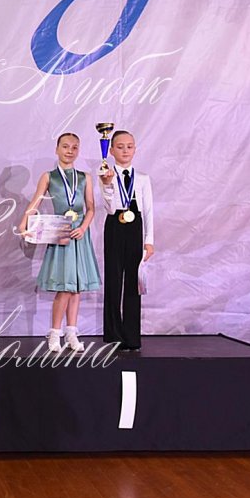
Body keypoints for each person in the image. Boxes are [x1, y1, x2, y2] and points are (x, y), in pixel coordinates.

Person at [18, 133, 101, 352]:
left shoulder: (84, 177)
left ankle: (71, 332)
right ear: (57, 149)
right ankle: (54, 333)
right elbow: (35, 202)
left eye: (74, 147)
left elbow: (91, 207)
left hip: (79, 235)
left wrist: (83, 228)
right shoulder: (49, 177)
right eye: (65, 146)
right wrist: (24, 222)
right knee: (64, 287)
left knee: (76, 288)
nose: (69, 151)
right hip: (61, 233)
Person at [98, 130, 154, 351]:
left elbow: (148, 211)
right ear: (111, 150)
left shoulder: (143, 179)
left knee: (134, 282)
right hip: (115, 225)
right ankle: (114, 335)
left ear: (135, 149)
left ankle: (132, 337)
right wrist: (108, 185)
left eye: (129, 146)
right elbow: (110, 208)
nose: (125, 151)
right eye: (120, 147)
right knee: (113, 279)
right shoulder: (106, 174)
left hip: (135, 226)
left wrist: (149, 240)